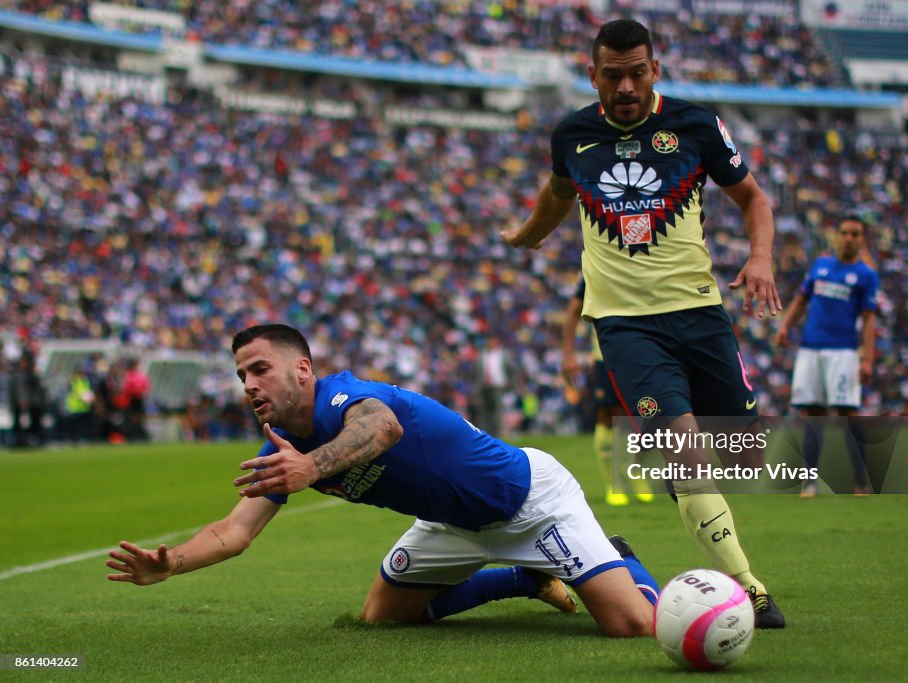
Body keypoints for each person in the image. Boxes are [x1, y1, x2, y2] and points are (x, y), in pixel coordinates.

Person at [107, 324, 659, 637]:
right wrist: (171, 563)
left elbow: (383, 427)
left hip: (528, 501)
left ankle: (614, 554)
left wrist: (312, 467)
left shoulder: (346, 396)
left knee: (631, 624)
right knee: (384, 617)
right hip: (451, 525)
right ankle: (525, 580)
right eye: (241, 376)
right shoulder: (282, 449)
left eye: (259, 369)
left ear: (303, 369)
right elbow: (235, 531)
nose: (248, 385)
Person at [501, 19, 785, 628]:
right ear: (593, 75)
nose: (625, 86)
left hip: (700, 313)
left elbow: (754, 199)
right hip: (626, 326)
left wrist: (760, 256)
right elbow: (557, 193)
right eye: (612, 75)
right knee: (685, 457)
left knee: (744, 451)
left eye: (636, 72)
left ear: (655, 70)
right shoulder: (572, 134)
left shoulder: (697, 125)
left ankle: (686, 490)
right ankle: (749, 590)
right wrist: (526, 235)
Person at [773, 215, 879, 497]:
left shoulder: (867, 276)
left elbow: (869, 320)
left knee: (848, 415)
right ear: (837, 236)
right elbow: (801, 299)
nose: (848, 238)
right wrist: (785, 326)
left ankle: (860, 483)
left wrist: (867, 359)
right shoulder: (820, 266)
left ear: (861, 239)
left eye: (854, 234)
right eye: (844, 233)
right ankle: (809, 484)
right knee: (812, 414)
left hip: (843, 352)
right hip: (810, 349)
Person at [562, 277, 654, 506]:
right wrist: (568, 354)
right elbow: (573, 313)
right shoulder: (595, 268)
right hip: (606, 356)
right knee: (607, 418)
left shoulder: (645, 264)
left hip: (643, 356)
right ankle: (612, 484)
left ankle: (633, 471)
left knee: (645, 417)